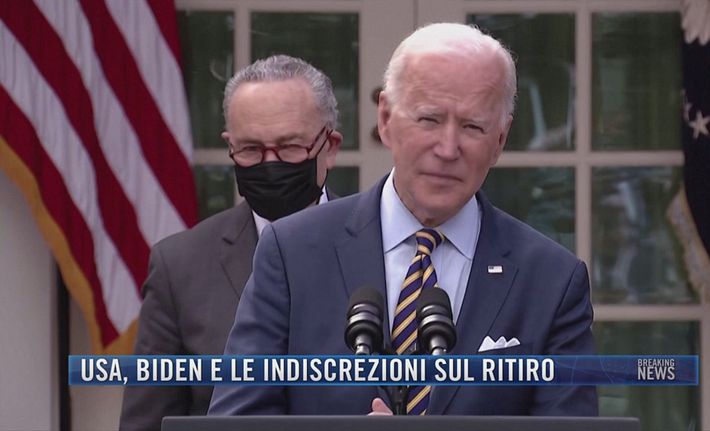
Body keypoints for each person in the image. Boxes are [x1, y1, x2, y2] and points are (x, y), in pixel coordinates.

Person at [208, 23, 596, 416]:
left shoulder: (551, 281)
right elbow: (237, 419)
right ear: (386, 118)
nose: (447, 149)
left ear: (500, 140)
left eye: (472, 126)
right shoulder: (292, 252)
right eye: (429, 120)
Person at [119, 55, 342, 431]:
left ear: (330, 147)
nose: (270, 164)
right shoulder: (179, 267)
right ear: (230, 146)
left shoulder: (383, 246)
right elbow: (146, 423)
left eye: (289, 147)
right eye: (251, 149)